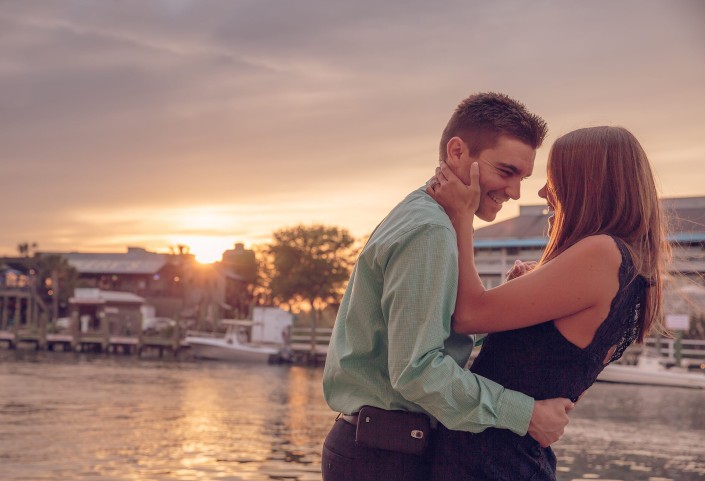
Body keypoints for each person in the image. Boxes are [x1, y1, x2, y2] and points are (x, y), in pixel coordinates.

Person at [321, 92, 574, 481]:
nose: (515, 192)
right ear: (457, 151)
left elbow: (429, 342)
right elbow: (416, 371)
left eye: (522, 178)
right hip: (388, 457)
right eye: (506, 171)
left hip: (383, 450)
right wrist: (527, 415)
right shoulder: (430, 230)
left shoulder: (429, 217)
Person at [426, 125, 668, 480]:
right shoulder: (626, 267)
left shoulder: (602, 252)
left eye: (553, 180)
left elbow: (468, 315)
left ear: (587, 184)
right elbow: (557, 375)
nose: (541, 192)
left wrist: (461, 217)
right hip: (504, 463)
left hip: (492, 465)